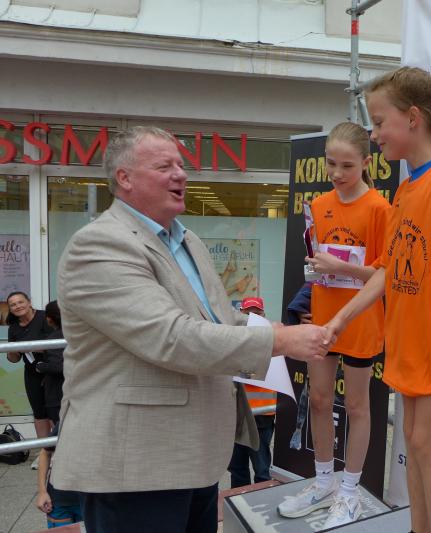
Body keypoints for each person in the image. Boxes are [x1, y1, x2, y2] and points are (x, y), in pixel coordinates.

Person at [52, 126, 332, 533]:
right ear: (124, 178)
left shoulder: (189, 241)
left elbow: (216, 318)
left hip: (195, 456)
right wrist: (278, 340)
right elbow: (171, 337)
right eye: (164, 166)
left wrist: (267, 326)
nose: (181, 174)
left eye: (181, 165)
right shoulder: (99, 245)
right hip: (136, 466)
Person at [326, 67, 431, 533]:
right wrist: (341, 319)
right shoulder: (406, 187)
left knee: (425, 445)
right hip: (410, 346)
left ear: (413, 118)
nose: (374, 134)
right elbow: (387, 270)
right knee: (416, 444)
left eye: (380, 122)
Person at [278, 122, 390, 528]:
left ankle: (349, 490)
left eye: (347, 165)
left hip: (361, 322)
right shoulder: (319, 205)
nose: (337, 173)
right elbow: (316, 267)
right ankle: (323, 481)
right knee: (320, 400)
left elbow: (385, 273)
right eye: (331, 164)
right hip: (322, 320)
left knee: (358, 406)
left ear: (366, 163)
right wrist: (311, 290)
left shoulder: (379, 208)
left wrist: (342, 267)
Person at [228, 296, 277, 488]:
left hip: (261, 414)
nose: (252, 317)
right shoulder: (234, 339)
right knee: (237, 468)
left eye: (256, 313)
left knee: (262, 469)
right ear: (241, 313)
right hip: (237, 414)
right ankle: (238, 501)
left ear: (263, 314)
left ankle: (261, 501)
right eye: (248, 313)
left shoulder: (272, 338)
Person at [5, 290, 53, 468]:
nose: (17, 306)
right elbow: (13, 359)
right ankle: (44, 453)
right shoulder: (14, 327)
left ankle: (59, 452)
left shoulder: (45, 318)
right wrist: (13, 351)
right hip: (32, 373)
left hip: (53, 371)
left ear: (29, 302)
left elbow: (58, 343)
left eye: (20, 302)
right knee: (39, 412)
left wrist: (32, 346)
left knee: (55, 411)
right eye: (13, 305)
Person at [35, 423, 83, 529]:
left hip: (93, 499)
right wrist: (42, 491)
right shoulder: (68, 419)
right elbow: (45, 452)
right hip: (60, 497)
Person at [35, 301, 66, 424]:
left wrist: (40, 366)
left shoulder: (54, 339)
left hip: (58, 395)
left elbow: (58, 367)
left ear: (49, 319)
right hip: (78, 392)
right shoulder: (79, 335)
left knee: (60, 430)